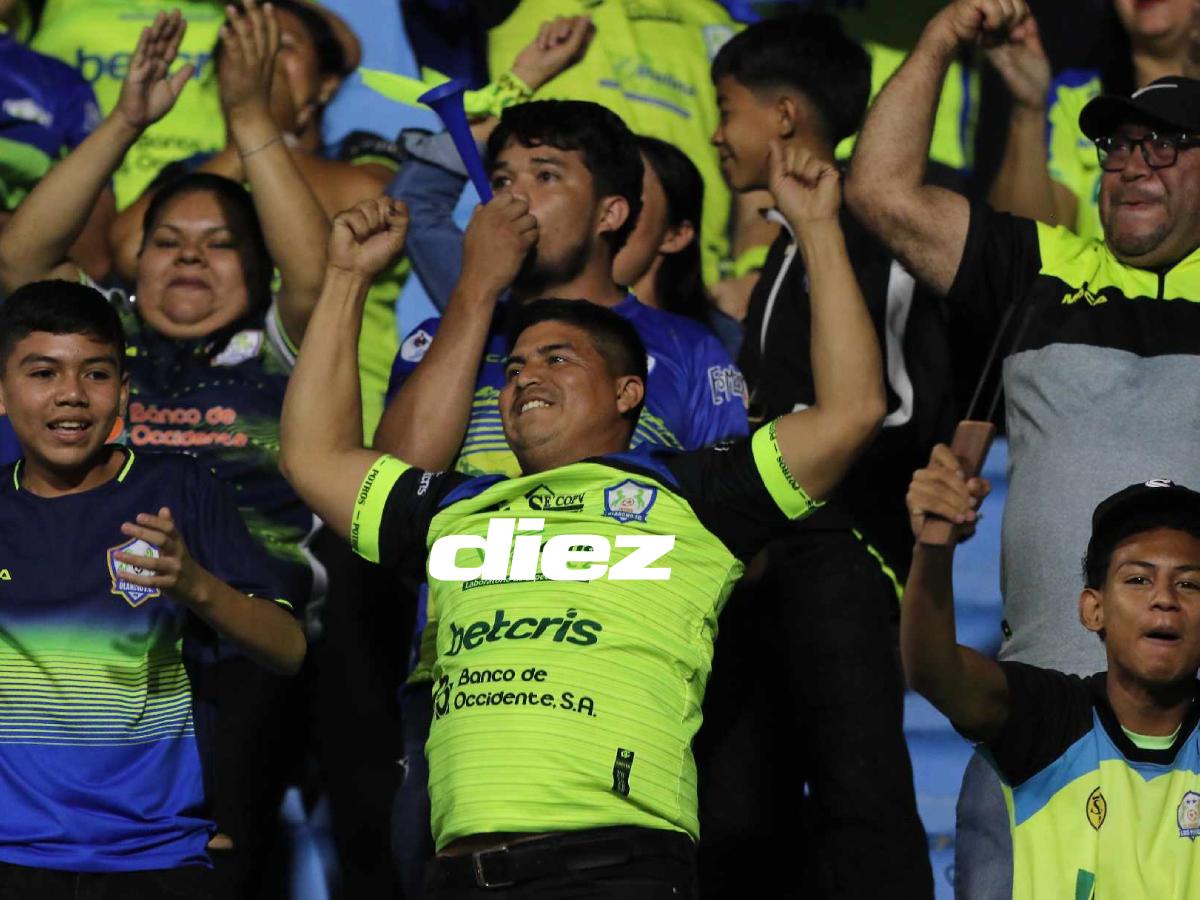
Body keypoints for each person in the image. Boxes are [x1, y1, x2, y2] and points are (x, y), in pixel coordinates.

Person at [279, 132, 883, 895]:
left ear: (630, 394)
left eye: (558, 358)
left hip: (612, 867)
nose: (527, 374)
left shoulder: (695, 496)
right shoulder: (456, 508)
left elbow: (854, 409)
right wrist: (345, 279)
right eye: (518, 366)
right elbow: (310, 457)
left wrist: (820, 230)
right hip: (456, 869)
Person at [844, 1, 1200, 896]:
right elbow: (878, 191)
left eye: (1162, 146)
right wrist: (937, 42)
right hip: (1037, 728)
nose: (1129, 165)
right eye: (1118, 148)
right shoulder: (1041, 268)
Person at [379, 97, 749, 895]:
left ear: (614, 211)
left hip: (622, 699)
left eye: (546, 177)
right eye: (502, 177)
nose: (512, 199)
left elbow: (732, 529)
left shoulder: (686, 349)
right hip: (452, 690)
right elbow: (393, 482)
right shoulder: (447, 332)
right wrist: (476, 294)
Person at [0, 7, 330, 893]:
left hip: (245, 647)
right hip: (101, 632)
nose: (190, 260)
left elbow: (315, 274)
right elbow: (22, 258)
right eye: (168, 243)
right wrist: (127, 121)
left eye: (222, 246)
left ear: (256, 275)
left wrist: (252, 120)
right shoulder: (103, 344)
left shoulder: (282, 350)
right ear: (131, 264)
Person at [696, 13, 948, 897]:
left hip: (842, 549)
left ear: (787, 114)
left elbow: (894, 407)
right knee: (744, 812)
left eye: (725, 106)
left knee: (860, 802)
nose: (716, 131)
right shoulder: (792, 239)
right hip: (770, 554)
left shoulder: (873, 228)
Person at [0, 279, 304, 898]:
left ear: (124, 393)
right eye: (43, 373)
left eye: (96, 374)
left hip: (155, 857)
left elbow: (288, 649)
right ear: (2, 392)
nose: (71, 396)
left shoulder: (179, 489)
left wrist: (197, 587)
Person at [904, 453, 1200, 898]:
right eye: (1138, 580)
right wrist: (933, 546)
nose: (1164, 599)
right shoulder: (1047, 719)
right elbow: (933, 670)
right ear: (1093, 609)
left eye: (1189, 584)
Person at [988, 0, 1199, 240]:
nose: (1134, 168)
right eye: (1117, 147)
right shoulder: (1074, 99)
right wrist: (1028, 111)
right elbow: (1019, 247)